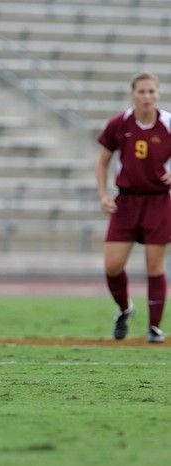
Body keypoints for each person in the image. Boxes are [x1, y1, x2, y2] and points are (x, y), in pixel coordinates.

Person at [96, 72, 170, 344]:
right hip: (126, 201)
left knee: (154, 265)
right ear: (133, 94)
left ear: (158, 94)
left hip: (158, 201)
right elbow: (103, 161)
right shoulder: (120, 123)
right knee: (113, 266)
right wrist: (104, 195)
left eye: (151, 91)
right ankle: (125, 309)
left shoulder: (168, 123)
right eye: (142, 91)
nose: (147, 96)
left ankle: (154, 327)